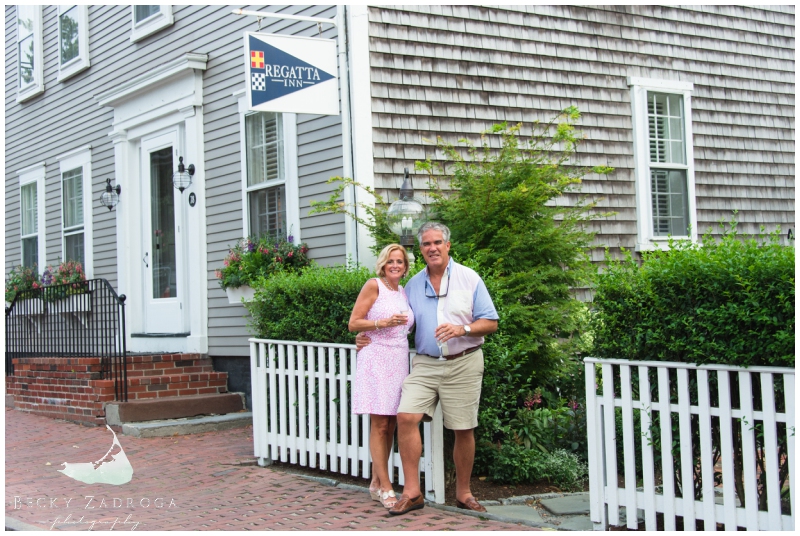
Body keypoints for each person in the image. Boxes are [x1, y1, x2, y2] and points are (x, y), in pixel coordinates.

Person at [356, 222, 498, 516]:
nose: (432, 248)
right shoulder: (411, 286)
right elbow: (395, 321)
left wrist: (463, 328)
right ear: (420, 251)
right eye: (425, 244)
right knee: (406, 416)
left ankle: (464, 493)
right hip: (425, 363)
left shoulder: (469, 278)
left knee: (463, 428)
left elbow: (491, 322)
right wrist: (365, 334)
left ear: (448, 245)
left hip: (464, 361)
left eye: (437, 243)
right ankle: (412, 492)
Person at [349, 244, 414, 509]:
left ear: (405, 266)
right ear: (383, 264)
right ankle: (387, 488)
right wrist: (380, 324)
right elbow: (354, 322)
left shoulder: (402, 292)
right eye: (391, 261)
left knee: (392, 424)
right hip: (375, 357)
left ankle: (376, 481)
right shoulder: (373, 285)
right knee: (380, 425)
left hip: (398, 359)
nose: (395, 265)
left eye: (400, 261)